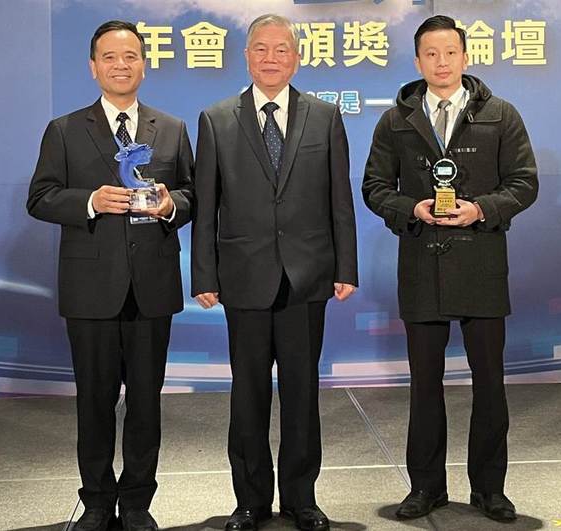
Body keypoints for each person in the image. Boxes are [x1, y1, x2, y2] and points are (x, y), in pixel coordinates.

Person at [362, 14, 538, 524]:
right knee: (424, 386)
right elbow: (375, 187)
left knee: (490, 384)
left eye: (450, 52)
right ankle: (426, 488)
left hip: (481, 263)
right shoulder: (395, 120)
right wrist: (411, 208)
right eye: (431, 54)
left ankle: (489, 490)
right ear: (418, 61)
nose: (441, 62)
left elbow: (524, 182)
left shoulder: (500, 114)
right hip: (422, 263)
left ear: (465, 56)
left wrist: (480, 208)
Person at [191, 13, 358, 531]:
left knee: (303, 394)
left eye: (281, 49)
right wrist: (203, 275)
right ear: (246, 57)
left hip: (307, 277)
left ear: (297, 57)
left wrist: (346, 266)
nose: (270, 58)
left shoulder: (325, 117)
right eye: (260, 49)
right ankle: (250, 501)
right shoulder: (216, 119)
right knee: (248, 395)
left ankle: (301, 498)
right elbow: (206, 205)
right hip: (243, 277)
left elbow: (340, 200)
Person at [27, 20, 194, 531]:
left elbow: (193, 194)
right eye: (110, 57)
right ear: (93, 67)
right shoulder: (64, 130)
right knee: (94, 403)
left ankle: (138, 502)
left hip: (152, 287)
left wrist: (170, 205)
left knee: (146, 404)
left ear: (144, 64)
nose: (121, 65)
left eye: (130, 57)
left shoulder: (171, 128)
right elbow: (40, 198)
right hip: (91, 290)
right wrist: (91, 201)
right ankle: (97, 501)